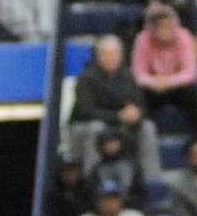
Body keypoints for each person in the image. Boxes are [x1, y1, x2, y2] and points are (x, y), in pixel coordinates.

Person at [68, 33, 162, 180]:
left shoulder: (127, 75)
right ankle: (93, 179)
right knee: (96, 128)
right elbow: (85, 111)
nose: (111, 58)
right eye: (106, 54)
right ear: (99, 56)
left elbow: (140, 104)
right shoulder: (86, 77)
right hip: (87, 125)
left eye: (115, 54)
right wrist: (119, 116)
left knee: (147, 126)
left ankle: (152, 179)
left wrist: (137, 113)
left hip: (119, 125)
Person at [130, 2, 197, 134]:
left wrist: (169, 81)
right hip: (153, 88)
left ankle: (196, 138)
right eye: (159, 27)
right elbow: (138, 72)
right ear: (152, 28)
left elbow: (190, 72)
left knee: (192, 92)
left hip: (177, 87)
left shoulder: (184, 36)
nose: (164, 30)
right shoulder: (142, 39)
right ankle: (144, 136)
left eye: (167, 26)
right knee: (138, 95)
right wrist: (153, 82)